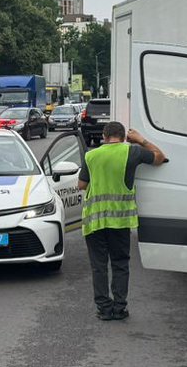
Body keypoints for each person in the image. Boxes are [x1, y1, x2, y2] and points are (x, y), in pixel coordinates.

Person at [77, 121, 166, 320]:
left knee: (98, 265)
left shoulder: (91, 156)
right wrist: (141, 140)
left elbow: (81, 185)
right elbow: (160, 157)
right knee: (120, 264)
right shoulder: (132, 152)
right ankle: (119, 308)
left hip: (95, 221)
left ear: (104, 135)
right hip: (120, 221)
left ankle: (104, 309)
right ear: (124, 137)